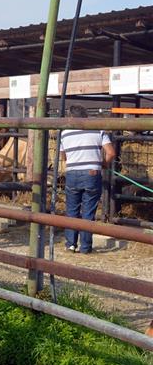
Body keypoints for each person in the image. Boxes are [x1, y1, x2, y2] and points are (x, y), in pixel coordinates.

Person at [60, 104, 115, 254]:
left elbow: (63, 156)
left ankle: (71, 244)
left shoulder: (64, 132)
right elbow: (111, 153)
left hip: (72, 173)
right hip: (92, 173)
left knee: (71, 210)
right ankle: (85, 247)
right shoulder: (97, 129)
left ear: (71, 117)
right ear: (86, 116)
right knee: (88, 211)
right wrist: (102, 164)